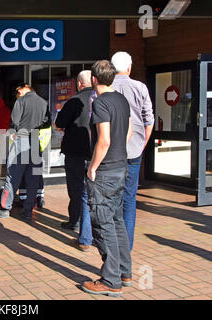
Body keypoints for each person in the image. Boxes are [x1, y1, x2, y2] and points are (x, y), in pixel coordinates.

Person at [81, 60, 132, 297]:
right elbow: (129, 131)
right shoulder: (122, 99)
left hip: (105, 171)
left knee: (102, 223)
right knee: (117, 220)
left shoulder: (101, 102)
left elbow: (104, 139)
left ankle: (111, 281)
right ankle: (124, 271)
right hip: (121, 166)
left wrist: (93, 167)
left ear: (94, 79)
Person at [111, 51, 154, 251]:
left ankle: (111, 248)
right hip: (134, 152)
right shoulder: (140, 87)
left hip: (110, 154)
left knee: (110, 201)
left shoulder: (105, 89)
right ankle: (125, 249)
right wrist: (142, 143)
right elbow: (149, 120)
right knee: (129, 200)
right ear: (129, 68)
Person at [0, 84, 48, 220]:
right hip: (35, 142)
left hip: (21, 141)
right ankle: (28, 210)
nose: (17, 94)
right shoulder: (43, 102)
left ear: (22, 89)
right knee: (33, 178)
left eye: (17, 92)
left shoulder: (21, 101)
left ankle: (4, 208)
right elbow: (46, 122)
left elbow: (14, 122)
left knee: (12, 176)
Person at [55, 70, 94, 252]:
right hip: (95, 153)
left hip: (75, 153)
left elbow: (59, 123)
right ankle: (85, 228)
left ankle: (78, 226)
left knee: (77, 190)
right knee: (89, 193)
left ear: (79, 84)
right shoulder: (100, 100)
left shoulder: (73, 101)